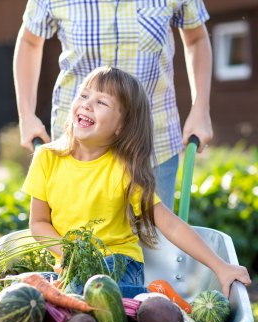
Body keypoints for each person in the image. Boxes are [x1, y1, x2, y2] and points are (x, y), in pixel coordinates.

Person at [21, 66, 250, 299]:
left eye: (102, 103)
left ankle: (148, 299)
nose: (87, 104)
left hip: (119, 262)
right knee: (30, 292)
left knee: (93, 290)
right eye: (83, 95)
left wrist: (221, 266)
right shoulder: (47, 158)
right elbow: (39, 222)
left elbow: (168, 223)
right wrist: (70, 255)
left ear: (120, 127)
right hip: (70, 265)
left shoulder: (123, 168)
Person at [13, 0, 213, 210]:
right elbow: (30, 42)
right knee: (77, 236)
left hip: (154, 143)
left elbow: (196, 38)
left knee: (156, 237)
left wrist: (201, 109)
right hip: (78, 146)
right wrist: (26, 115)